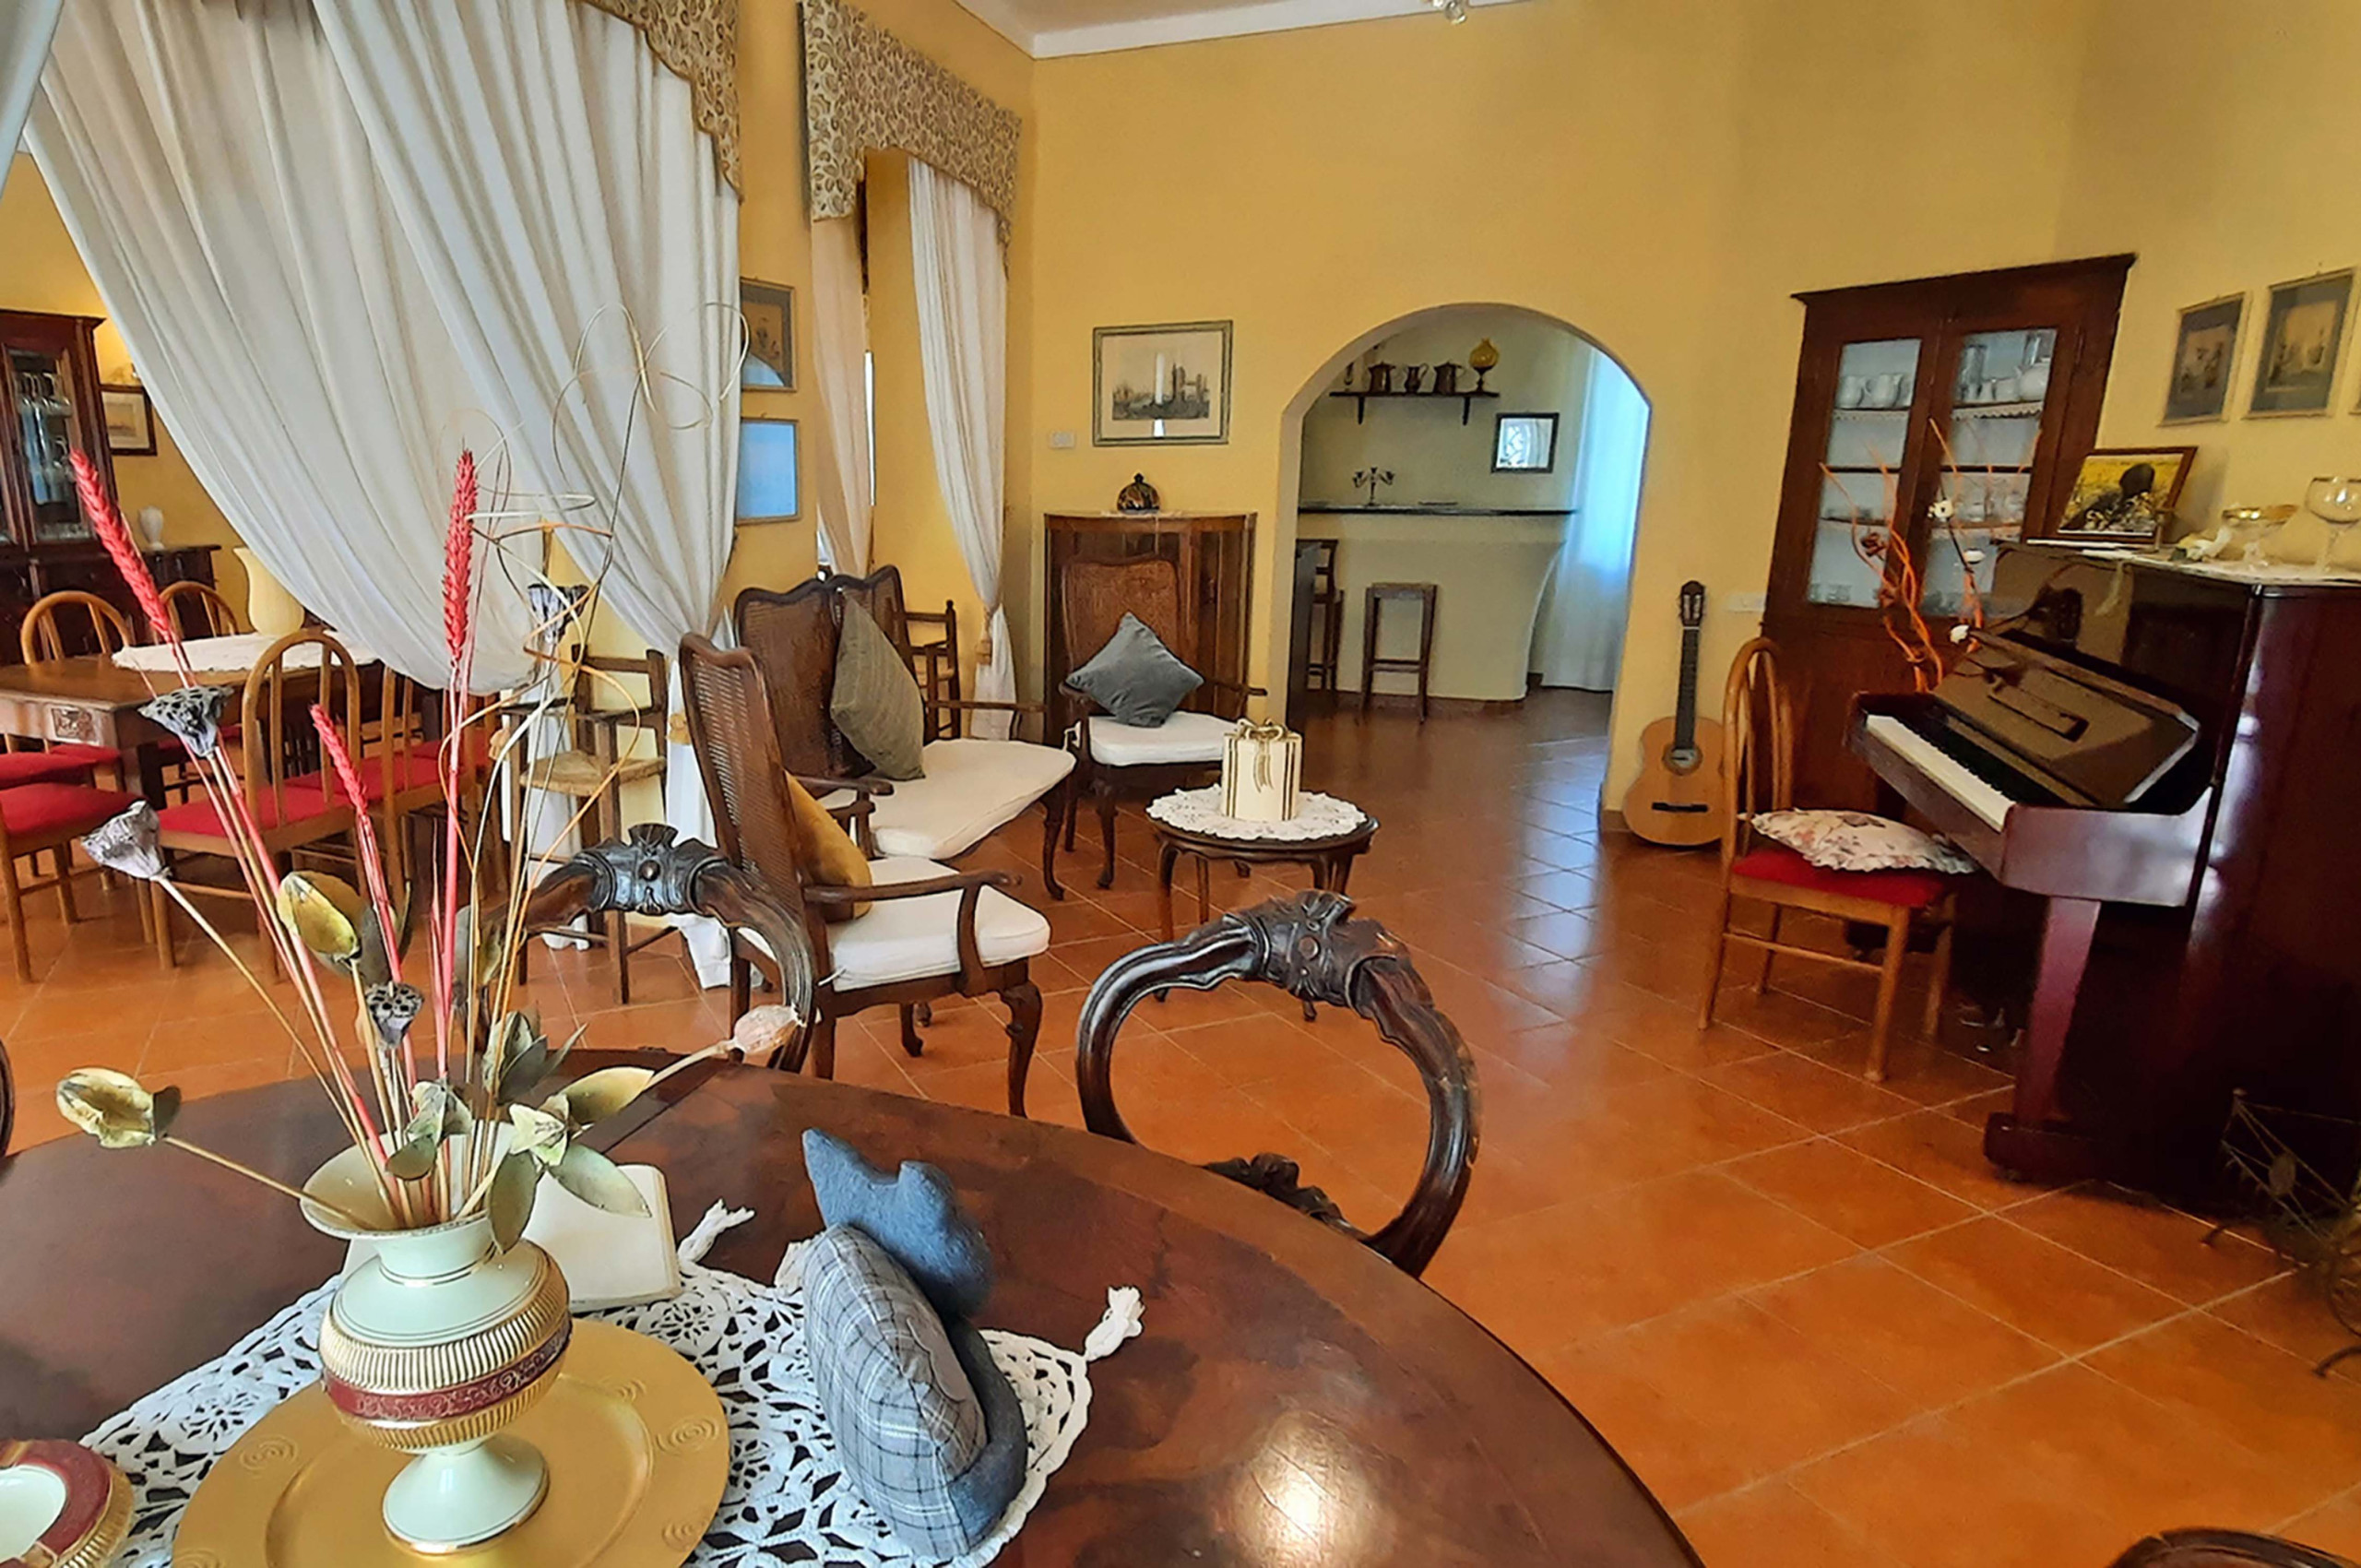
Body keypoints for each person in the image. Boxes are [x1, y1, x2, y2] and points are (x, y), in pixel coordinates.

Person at [2066, 461, 2159, 535]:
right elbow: (2082, 517)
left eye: (2132, 482)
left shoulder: (2143, 507)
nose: (2124, 484)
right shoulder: (2112, 497)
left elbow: (2122, 531)